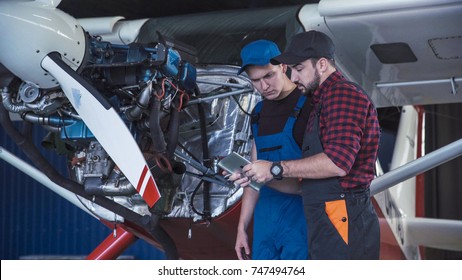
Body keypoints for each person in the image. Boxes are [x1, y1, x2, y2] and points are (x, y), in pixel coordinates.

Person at [241, 31, 381, 259]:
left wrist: (274, 168)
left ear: (322, 64)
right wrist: (256, 176)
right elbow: (302, 185)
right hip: (325, 213)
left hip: (342, 212)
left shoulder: (343, 95)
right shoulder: (321, 100)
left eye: (298, 68)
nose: (294, 78)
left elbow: (337, 163)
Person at [230, 39, 311, 260]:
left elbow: (318, 170)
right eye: (255, 80)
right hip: (265, 221)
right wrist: (241, 228)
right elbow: (254, 175)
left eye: (269, 76)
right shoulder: (257, 112)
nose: (264, 86)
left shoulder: (309, 105)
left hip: (302, 218)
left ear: (283, 67)